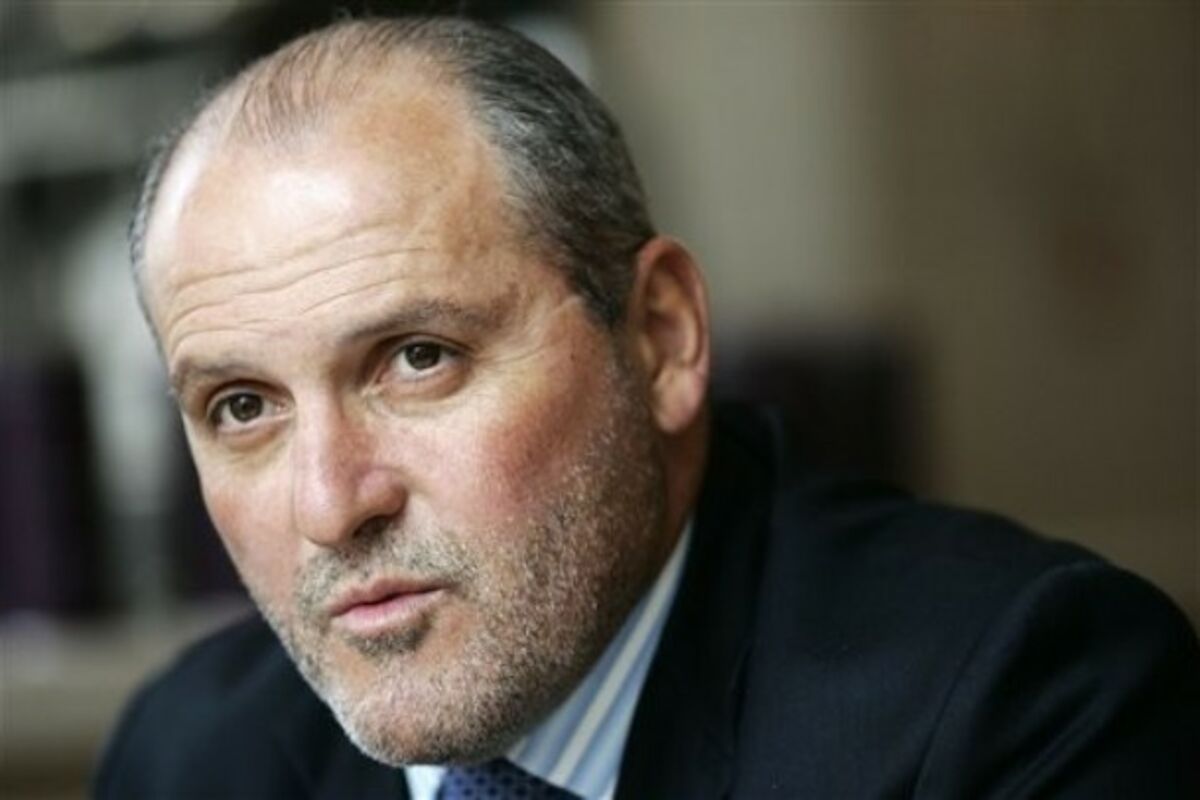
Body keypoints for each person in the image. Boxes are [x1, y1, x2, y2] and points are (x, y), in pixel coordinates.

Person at [96, 16, 1199, 800]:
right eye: (242, 406)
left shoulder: (1021, 704)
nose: (332, 504)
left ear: (662, 336)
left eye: (419, 358)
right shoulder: (189, 759)